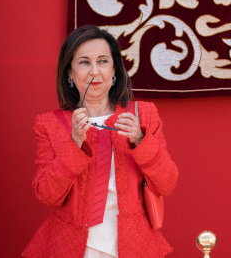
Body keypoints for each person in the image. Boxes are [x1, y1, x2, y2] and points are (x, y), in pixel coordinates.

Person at [22, 26, 179, 258]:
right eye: (84, 62)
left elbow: (168, 183)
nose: (95, 71)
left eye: (103, 61)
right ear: (69, 73)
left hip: (133, 245)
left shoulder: (143, 115)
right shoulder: (50, 124)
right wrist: (74, 142)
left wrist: (139, 139)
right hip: (70, 246)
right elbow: (47, 195)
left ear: (114, 69)